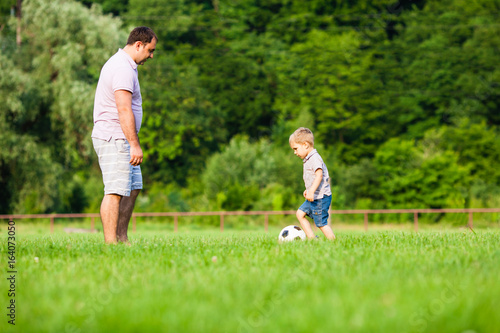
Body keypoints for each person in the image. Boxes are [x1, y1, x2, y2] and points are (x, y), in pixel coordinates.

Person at [91, 27, 157, 244]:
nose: (151, 55)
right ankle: (111, 245)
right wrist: (134, 144)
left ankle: (122, 238)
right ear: (139, 45)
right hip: (115, 138)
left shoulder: (127, 65)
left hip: (122, 138)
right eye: (150, 50)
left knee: (133, 187)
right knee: (115, 190)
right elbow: (123, 109)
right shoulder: (122, 67)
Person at [289, 127, 336, 240]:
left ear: (305, 145)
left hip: (320, 197)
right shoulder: (308, 159)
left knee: (321, 223)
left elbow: (319, 175)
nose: (295, 152)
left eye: (295, 149)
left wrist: (312, 191)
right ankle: (312, 239)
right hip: (314, 196)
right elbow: (313, 178)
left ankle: (334, 242)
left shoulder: (315, 158)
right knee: (300, 214)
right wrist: (309, 190)